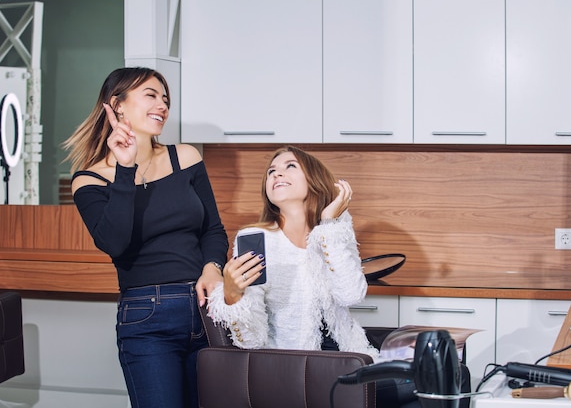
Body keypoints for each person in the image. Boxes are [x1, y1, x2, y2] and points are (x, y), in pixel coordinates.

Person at [206, 145, 424, 408]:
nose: (276, 174)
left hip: (349, 356)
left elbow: (351, 294)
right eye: (271, 171)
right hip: (300, 369)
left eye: (290, 166)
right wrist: (232, 295)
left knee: (432, 379)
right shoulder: (257, 240)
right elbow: (251, 340)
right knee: (428, 382)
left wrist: (330, 225)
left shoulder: (334, 229)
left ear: (314, 180)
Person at [62, 67, 228, 408]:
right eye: (151, 95)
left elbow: (212, 229)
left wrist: (213, 268)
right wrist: (126, 169)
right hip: (146, 318)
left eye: (165, 99)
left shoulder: (186, 157)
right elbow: (114, 242)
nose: (163, 105)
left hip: (206, 310)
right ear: (117, 106)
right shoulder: (89, 180)